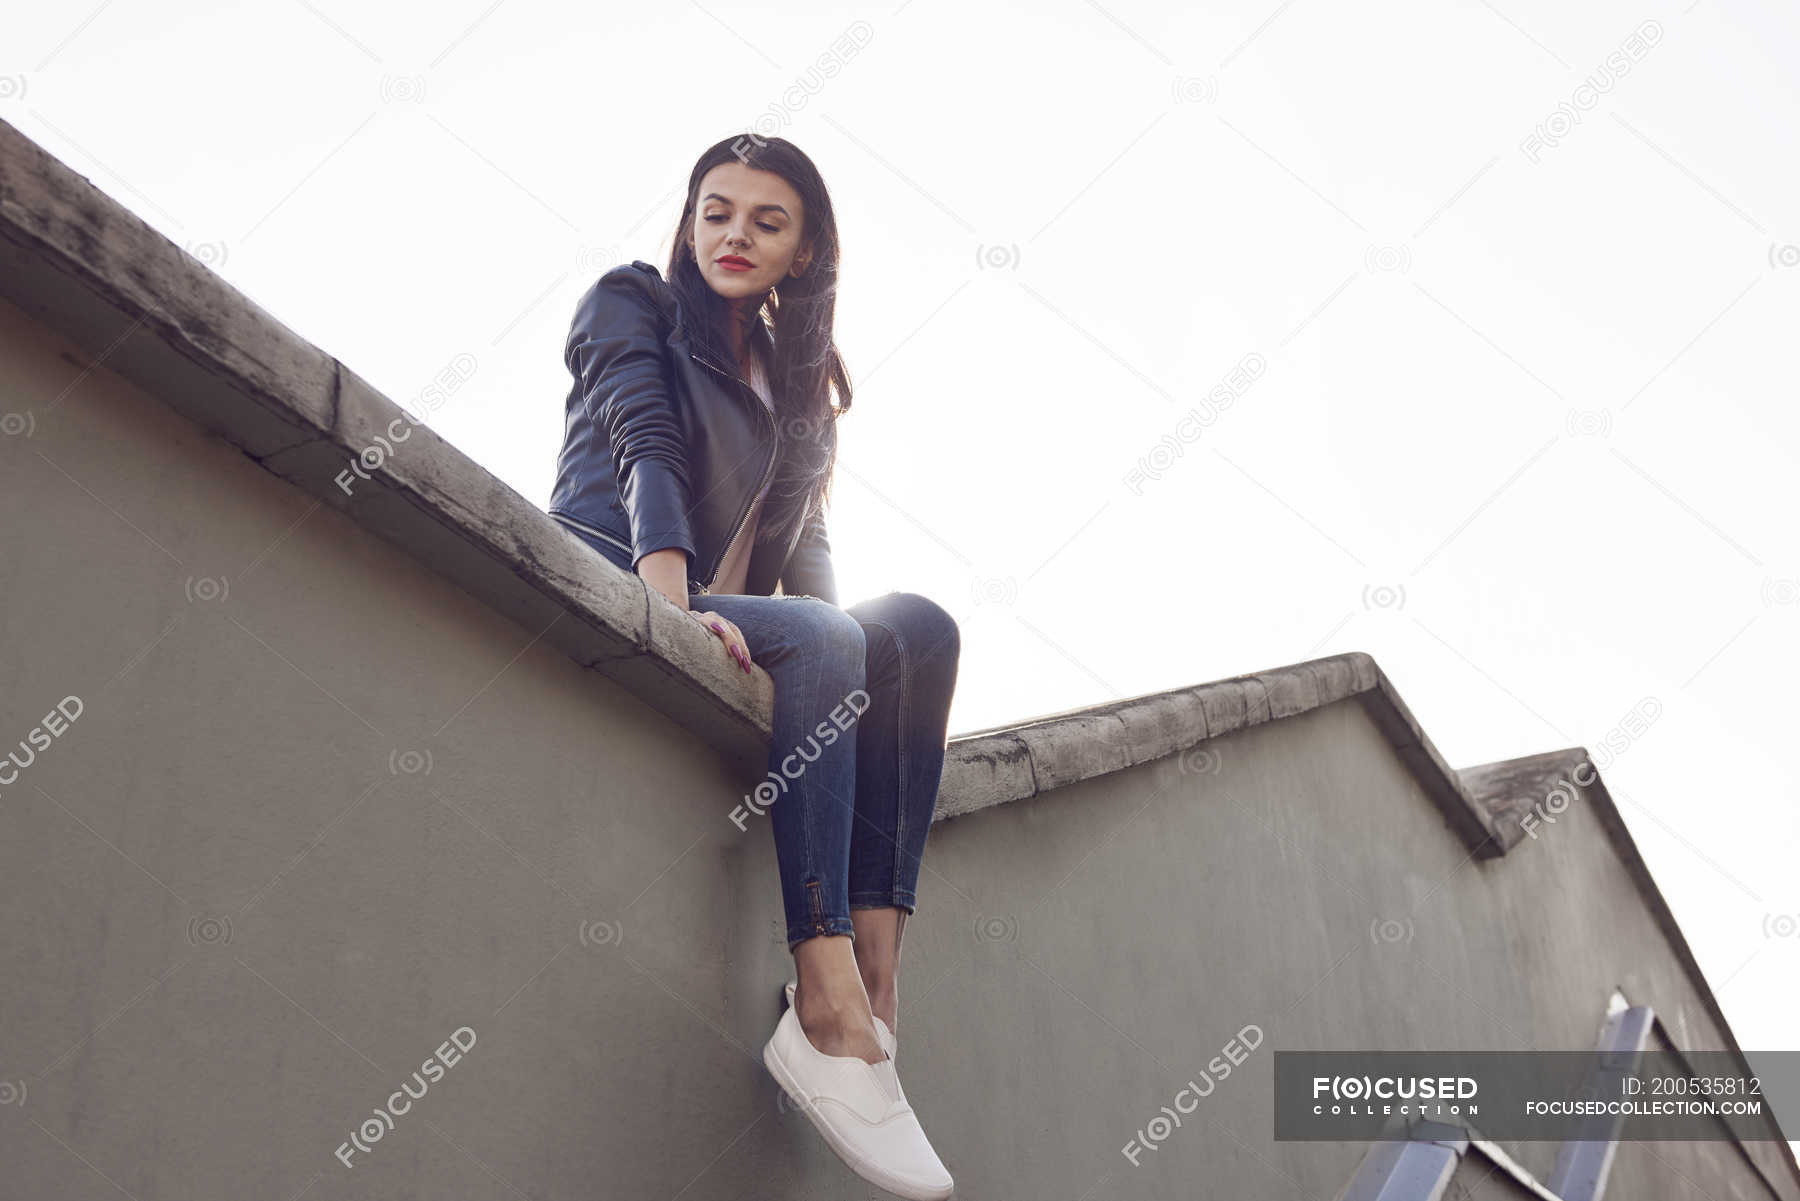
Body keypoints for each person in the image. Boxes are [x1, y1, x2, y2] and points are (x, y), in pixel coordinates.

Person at [546, 134, 959, 1200]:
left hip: (744, 617)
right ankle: (818, 997)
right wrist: (673, 606)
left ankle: (874, 990)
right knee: (826, 639)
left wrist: (863, 676)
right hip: (628, 572)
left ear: (804, 248)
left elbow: (809, 562)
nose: (734, 234)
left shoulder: (799, 376)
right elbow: (646, 445)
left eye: (765, 221)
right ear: (688, 222)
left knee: (915, 627)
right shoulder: (630, 300)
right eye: (715, 211)